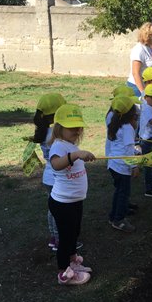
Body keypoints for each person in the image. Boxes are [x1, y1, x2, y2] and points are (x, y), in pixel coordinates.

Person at [48, 104, 96, 286]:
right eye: (71, 127)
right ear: (59, 128)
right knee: (66, 237)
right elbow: (56, 164)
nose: (76, 130)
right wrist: (75, 155)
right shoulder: (59, 146)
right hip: (62, 203)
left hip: (75, 201)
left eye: (78, 126)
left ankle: (73, 261)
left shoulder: (69, 145)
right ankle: (63, 272)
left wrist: (79, 155)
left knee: (74, 233)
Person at [32, 93, 73, 252]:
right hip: (58, 178)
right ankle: (60, 241)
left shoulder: (43, 131)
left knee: (53, 210)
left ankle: (54, 237)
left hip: (48, 177)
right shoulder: (56, 135)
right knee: (61, 212)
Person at [107, 96, 141, 233]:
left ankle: (113, 216)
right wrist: (135, 166)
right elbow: (127, 150)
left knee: (119, 192)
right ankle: (119, 220)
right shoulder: (127, 128)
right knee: (123, 194)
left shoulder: (116, 123)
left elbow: (121, 145)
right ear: (131, 113)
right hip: (122, 167)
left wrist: (133, 149)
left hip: (114, 164)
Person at [127, 22, 152, 97]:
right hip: (137, 88)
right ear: (147, 35)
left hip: (147, 86)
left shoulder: (149, 48)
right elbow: (136, 73)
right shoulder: (139, 49)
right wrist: (143, 93)